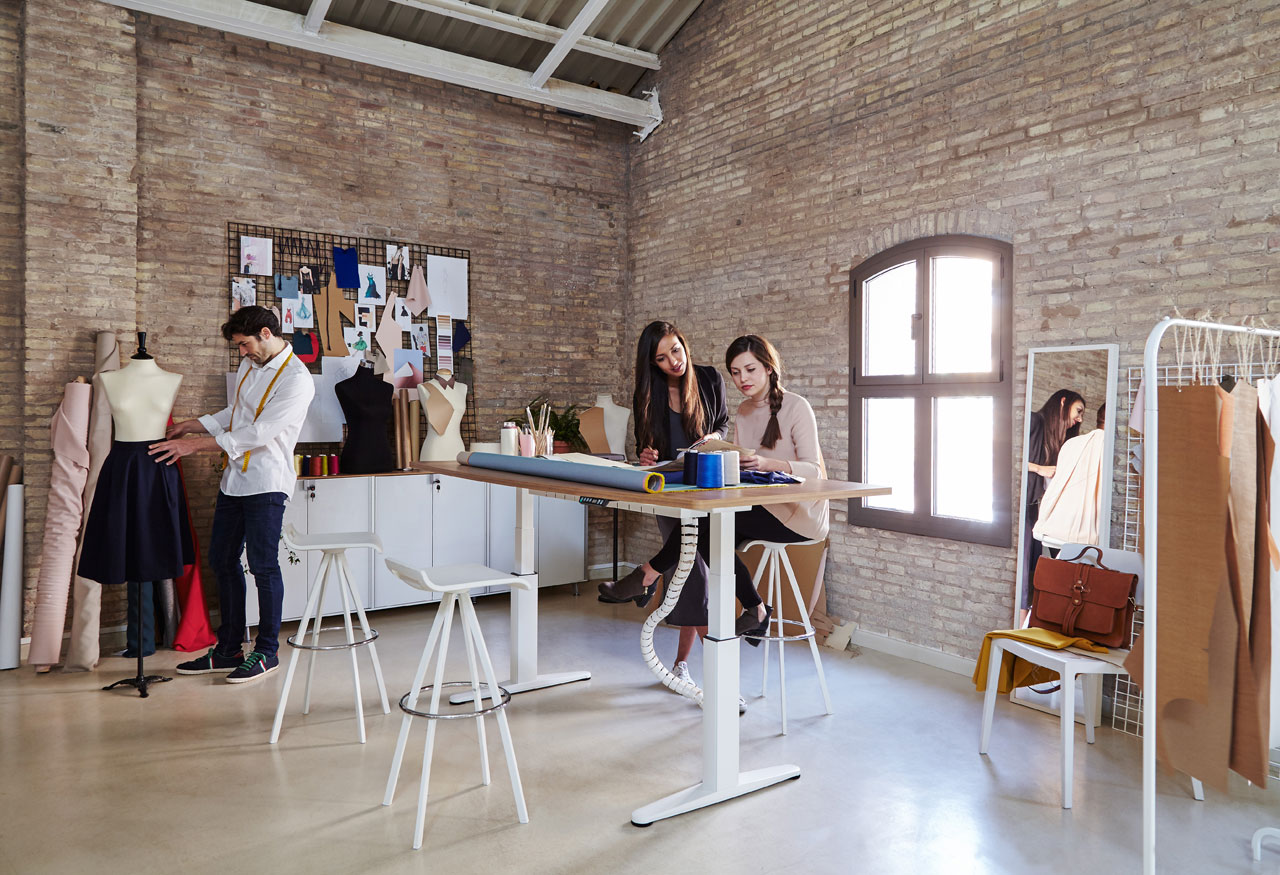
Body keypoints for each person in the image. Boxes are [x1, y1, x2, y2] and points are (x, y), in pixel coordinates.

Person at [605, 334, 830, 701]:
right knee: (701, 530)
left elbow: (814, 471)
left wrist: (766, 462)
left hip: (799, 514)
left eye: (750, 370)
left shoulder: (796, 406)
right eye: (736, 372)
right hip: (762, 504)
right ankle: (755, 609)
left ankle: (647, 575)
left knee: (703, 528)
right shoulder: (744, 411)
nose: (743, 379)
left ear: (769, 368)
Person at [150, 306, 315, 684]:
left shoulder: (297, 380)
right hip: (234, 481)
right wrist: (194, 425)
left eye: (244, 344)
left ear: (265, 334)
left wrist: (194, 446)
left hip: (267, 483)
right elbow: (238, 412)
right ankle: (228, 650)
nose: (241, 352)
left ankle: (267, 651)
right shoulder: (250, 365)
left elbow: (258, 433)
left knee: (263, 566)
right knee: (222, 561)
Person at [597, 321, 728, 686]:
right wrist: (647, 454)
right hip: (670, 489)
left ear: (684, 344)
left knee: (692, 572)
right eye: (662, 358)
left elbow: (723, 424)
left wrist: (713, 436)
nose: (674, 361)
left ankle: (648, 583)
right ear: (652, 363)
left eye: (676, 350)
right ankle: (714, 678)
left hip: (706, 487)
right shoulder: (649, 394)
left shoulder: (709, 379)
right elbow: (646, 446)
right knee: (692, 573)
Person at [1022, 388, 1085, 622]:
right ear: (1063, 402)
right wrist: (1039, 469)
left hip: (1034, 510)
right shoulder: (1033, 421)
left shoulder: (1058, 439)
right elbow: (1008, 457)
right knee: (1024, 572)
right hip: (1020, 509)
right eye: (1078, 411)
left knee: (1035, 569)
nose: (1079, 419)